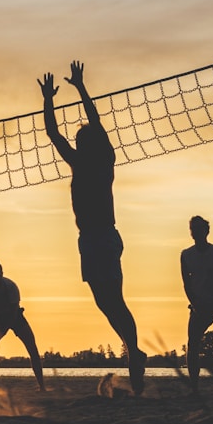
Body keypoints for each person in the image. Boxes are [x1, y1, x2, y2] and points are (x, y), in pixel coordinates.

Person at [38, 61, 146, 395]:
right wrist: (64, 93)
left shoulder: (96, 161)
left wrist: (58, 96)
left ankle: (134, 352)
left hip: (100, 236)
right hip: (93, 238)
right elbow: (61, 134)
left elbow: (65, 131)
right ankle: (133, 349)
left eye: (80, 139)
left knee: (113, 298)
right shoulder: (91, 160)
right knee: (105, 300)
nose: (76, 141)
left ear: (86, 144)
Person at [181, 215, 213, 394]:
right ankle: (194, 386)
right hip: (199, 304)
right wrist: (196, 305)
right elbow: (186, 285)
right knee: (193, 342)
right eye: (193, 230)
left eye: (199, 229)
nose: (196, 233)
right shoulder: (186, 255)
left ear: (207, 231)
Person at [0, 260, 45, 391]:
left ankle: (42, 386)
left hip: (15, 318)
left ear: (2, 273)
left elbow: (13, 313)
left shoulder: (10, 286)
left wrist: (2, 332)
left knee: (32, 348)